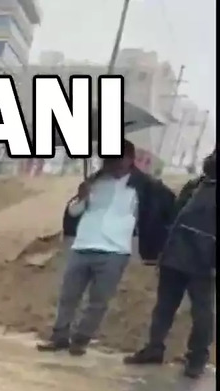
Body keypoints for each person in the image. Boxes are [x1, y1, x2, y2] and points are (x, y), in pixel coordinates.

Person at [37, 140, 176, 356]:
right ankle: (59, 336)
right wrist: (81, 197)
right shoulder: (94, 182)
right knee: (69, 296)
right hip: (83, 245)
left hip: (115, 251)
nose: (109, 163)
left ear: (129, 159)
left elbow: (160, 212)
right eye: (107, 158)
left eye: (115, 158)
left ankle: (80, 340)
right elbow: (74, 213)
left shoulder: (145, 186)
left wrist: (152, 243)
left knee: (98, 301)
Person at [124, 149, 217, 378]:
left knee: (202, 312)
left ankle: (197, 358)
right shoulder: (195, 185)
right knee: (164, 307)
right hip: (174, 256)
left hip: (204, 263)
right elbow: (175, 218)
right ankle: (154, 348)